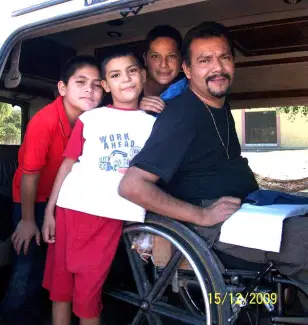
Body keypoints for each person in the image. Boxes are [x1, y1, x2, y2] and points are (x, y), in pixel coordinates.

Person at [118, 21, 308, 289]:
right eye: (204, 60)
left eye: (224, 57)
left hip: (248, 208)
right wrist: (201, 215)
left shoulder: (218, 102)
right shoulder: (182, 114)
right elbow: (131, 185)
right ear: (187, 69)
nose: (217, 68)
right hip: (212, 227)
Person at [42, 47, 156, 325]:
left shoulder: (155, 124)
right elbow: (67, 166)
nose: (126, 79)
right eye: (116, 75)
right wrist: (49, 212)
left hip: (110, 217)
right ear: (106, 86)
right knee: (60, 291)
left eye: (131, 72)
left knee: (88, 297)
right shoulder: (90, 119)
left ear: (142, 76)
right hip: (69, 207)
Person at [0, 55, 104, 325]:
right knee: (26, 268)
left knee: (54, 269)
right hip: (30, 200)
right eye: (80, 82)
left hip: (63, 202)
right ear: (62, 88)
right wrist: (27, 220)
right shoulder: (44, 122)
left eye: (96, 84)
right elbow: (29, 176)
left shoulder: (95, 121)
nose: (89, 90)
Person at [140, 25, 186, 114]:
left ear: (181, 60)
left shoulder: (187, 86)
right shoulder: (130, 86)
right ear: (145, 59)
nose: (163, 65)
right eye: (155, 56)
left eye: (171, 56)